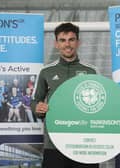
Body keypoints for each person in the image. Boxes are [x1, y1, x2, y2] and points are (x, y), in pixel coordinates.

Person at [32, 22, 98, 168]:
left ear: (78, 42)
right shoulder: (46, 72)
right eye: (62, 40)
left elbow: (103, 104)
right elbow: (35, 100)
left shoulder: (92, 71)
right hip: (54, 144)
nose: (67, 44)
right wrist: (38, 107)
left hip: (86, 144)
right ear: (56, 44)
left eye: (71, 39)